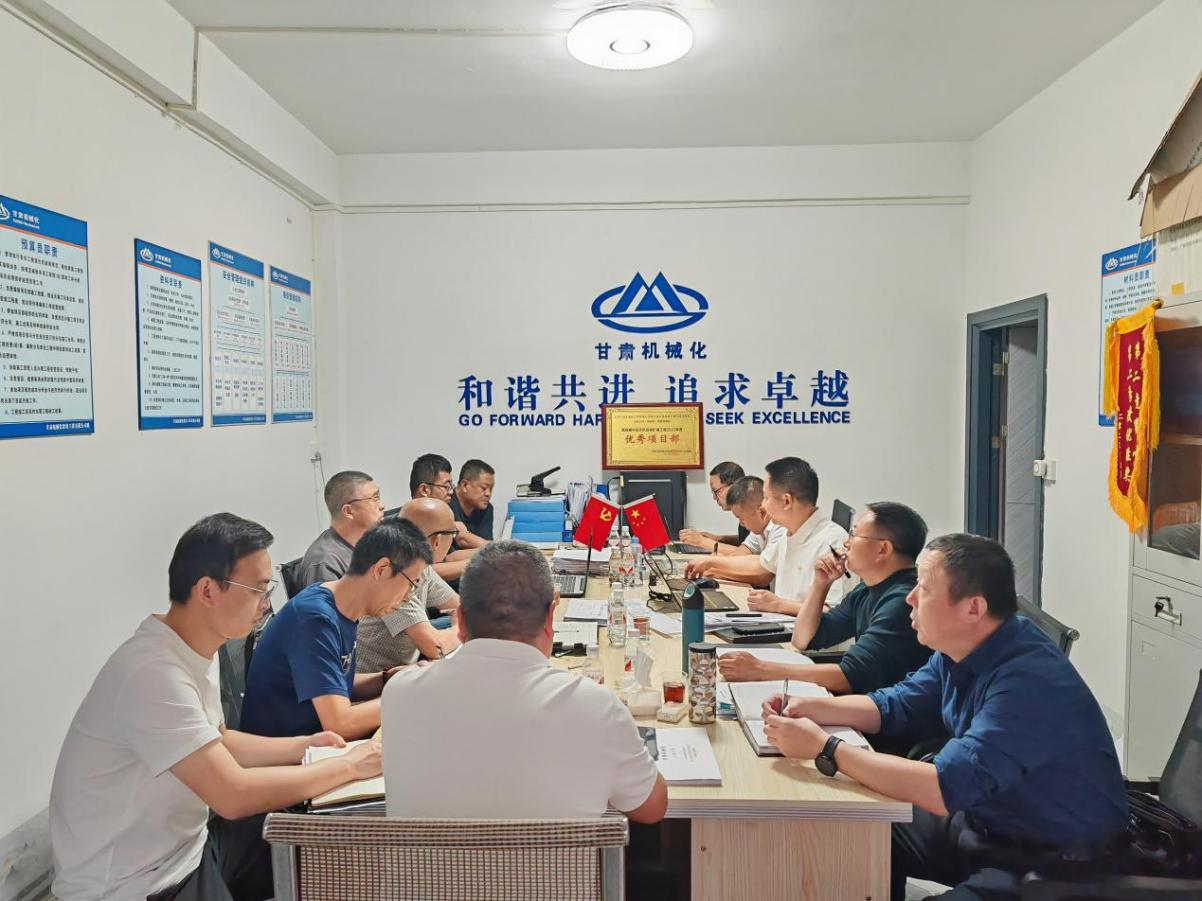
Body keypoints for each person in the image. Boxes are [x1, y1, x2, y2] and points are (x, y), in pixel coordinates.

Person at [760, 534, 1128, 900]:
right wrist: (812, 707)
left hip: (1050, 862)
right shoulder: (963, 647)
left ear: (973, 608)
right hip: (983, 825)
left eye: (923, 588)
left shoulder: (1028, 683)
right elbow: (898, 704)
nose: (910, 598)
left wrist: (826, 748)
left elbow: (942, 788)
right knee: (853, 826)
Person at [49, 513, 381, 901]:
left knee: (315, 859)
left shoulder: (194, 647)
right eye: (258, 590)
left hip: (187, 849)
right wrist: (349, 765)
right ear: (207, 590)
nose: (266, 604)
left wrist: (305, 745)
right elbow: (232, 795)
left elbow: (220, 739)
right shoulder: (152, 674)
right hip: (136, 884)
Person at [381, 540, 669, 822]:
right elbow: (651, 809)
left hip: (429, 858)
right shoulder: (595, 706)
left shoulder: (400, 693)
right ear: (550, 618)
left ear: (461, 621)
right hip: (555, 858)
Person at [240, 518, 432, 740]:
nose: (408, 596)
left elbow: (332, 683)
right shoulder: (315, 618)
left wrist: (388, 679)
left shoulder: (337, 607)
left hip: (314, 740)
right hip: (287, 754)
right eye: (411, 583)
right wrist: (411, 696)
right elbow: (341, 724)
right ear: (381, 569)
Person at [719, 502, 931, 696]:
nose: (847, 543)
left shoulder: (902, 602)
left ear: (883, 549)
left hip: (886, 718)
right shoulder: (867, 589)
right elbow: (803, 640)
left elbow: (848, 677)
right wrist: (820, 585)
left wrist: (761, 669)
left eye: (855, 535)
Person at [356, 498, 463, 672]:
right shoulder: (394, 574)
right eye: (453, 534)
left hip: (403, 669)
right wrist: (460, 627)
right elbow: (435, 648)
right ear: (436, 541)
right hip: (375, 679)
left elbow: (460, 606)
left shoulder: (420, 564)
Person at [750, 456, 848, 614]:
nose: (762, 505)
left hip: (809, 630)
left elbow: (834, 612)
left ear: (787, 501)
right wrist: (712, 563)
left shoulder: (833, 541)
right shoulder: (789, 531)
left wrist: (778, 605)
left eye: (766, 498)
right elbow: (762, 564)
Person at [294, 470, 386, 589]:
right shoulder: (325, 562)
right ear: (348, 511)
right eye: (374, 499)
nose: (382, 505)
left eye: (378, 497)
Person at [684, 476, 783, 586]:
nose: (741, 523)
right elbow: (740, 554)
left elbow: (763, 575)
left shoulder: (780, 527)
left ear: (761, 512)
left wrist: (714, 567)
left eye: (741, 518)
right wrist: (715, 564)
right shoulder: (759, 529)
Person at [408, 452, 477, 583]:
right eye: (446, 486)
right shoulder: (407, 526)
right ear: (424, 489)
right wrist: (476, 563)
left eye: (451, 486)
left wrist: (491, 553)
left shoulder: (436, 519)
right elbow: (422, 572)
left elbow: (449, 558)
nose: (451, 492)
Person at [679, 461, 746, 549]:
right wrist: (717, 538)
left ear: (733, 487)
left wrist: (702, 541)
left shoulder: (752, 510)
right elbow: (746, 541)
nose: (714, 498)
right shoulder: (744, 512)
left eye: (716, 491)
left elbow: (747, 553)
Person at [448, 458, 495, 549]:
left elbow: (486, 544)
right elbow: (462, 539)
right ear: (464, 485)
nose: (488, 494)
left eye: (491, 489)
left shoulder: (487, 509)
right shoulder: (447, 504)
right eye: (484, 488)